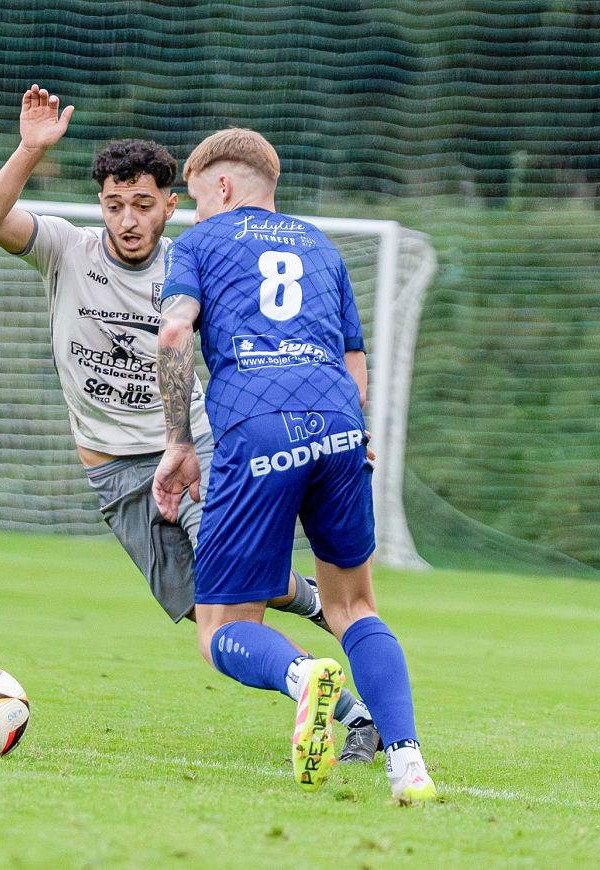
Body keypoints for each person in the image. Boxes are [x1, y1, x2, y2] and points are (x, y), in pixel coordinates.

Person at [0, 86, 380, 762]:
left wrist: (185, 440)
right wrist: (30, 149)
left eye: (141, 204)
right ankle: (310, 613)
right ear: (99, 205)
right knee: (208, 609)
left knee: (220, 618)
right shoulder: (68, 252)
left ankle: (338, 700)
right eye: (113, 205)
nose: (127, 220)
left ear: (170, 204)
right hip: (113, 475)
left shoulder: (200, 261)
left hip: (195, 453)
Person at [152, 128, 437, 804]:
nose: (192, 214)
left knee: (223, 628)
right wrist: (340, 428)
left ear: (221, 187)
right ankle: (409, 766)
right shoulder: (321, 246)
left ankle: (303, 679)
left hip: (255, 427)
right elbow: (355, 365)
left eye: (194, 199)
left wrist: (177, 441)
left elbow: (172, 334)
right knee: (354, 604)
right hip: (341, 424)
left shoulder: (198, 244)